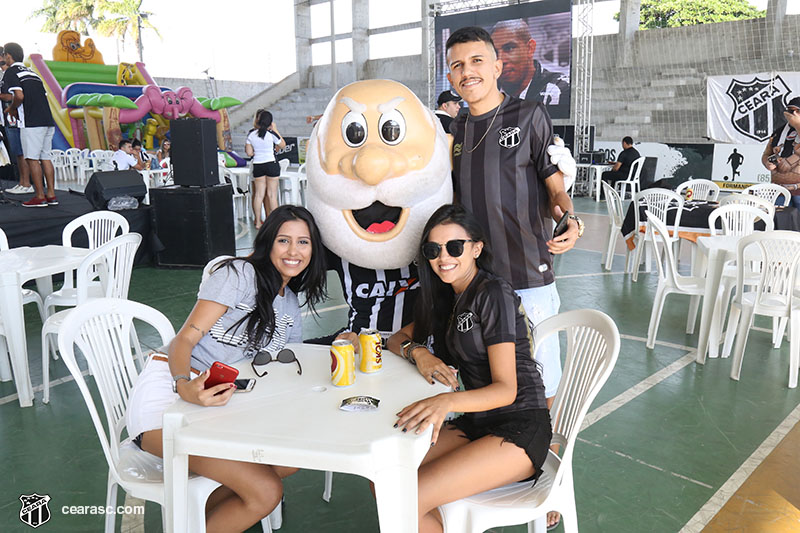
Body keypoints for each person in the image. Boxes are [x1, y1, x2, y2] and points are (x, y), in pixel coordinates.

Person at [445, 26, 578, 530]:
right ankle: (493, 465)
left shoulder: (528, 116)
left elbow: (553, 183)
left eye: (476, 61)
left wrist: (569, 216)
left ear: (498, 65)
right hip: (476, 287)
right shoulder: (455, 132)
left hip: (527, 278)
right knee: (487, 381)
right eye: (457, 65)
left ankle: (547, 490)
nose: (467, 72)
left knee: (541, 387)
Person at [126, 205, 327, 532]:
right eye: (283, 241)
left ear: (314, 249)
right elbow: (183, 342)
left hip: (216, 402)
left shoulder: (288, 300)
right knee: (265, 490)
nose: (293, 251)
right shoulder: (238, 275)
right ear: (267, 243)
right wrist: (183, 386)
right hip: (170, 397)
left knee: (288, 463)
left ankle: (194, 523)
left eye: (303, 242)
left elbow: (288, 359)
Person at [387, 204, 551, 533]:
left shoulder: (492, 293)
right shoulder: (449, 296)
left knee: (406, 497)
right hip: (477, 423)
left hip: (518, 427)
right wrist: (419, 352)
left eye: (455, 247)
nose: (443, 257)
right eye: (433, 250)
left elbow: (507, 389)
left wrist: (446, 402)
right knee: (387, 478)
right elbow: (396, 339)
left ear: (476, 248)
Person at [2, 42, 57, 207]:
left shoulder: (11, 72)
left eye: (4, 55)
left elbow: (18, 95)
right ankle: (51, 195)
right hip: (48, 120)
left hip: (31, 122)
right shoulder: (32, 72)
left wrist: (12, 109)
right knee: (46, 157)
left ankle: (40, 196)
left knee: (32, 159)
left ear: (9, 56)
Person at [490, 19, 570, 118]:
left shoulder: (559, 88)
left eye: (509, 48)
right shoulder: (486, 91)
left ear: (530, 48)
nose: (501, 60)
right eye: (495, 53)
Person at [245, 110, 286, 228]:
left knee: (259, 194)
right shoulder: (271, 134)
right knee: (272, 195)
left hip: (258, 165)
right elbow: (282, 145)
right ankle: (275, 223)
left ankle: (257, 222)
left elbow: (249, 153)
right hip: (271, 164)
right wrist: (275, 129)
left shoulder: (251, 134)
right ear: (270, 122)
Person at [0, 49, 32, 194]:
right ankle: (22, 182)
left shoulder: (11, 73)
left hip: (15, 117)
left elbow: (14, 96)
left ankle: (27, 183)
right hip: (7, 118)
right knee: (17, 152)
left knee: (21, 152)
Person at [763, 97, 800, 207]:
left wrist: (797, 124)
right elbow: (766, 153)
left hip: (798, 189)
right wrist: (767, 162)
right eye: (790, 111)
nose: (793, 114)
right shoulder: (779, 131)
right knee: (781, 219)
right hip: (779, 188)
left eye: (797, 111)